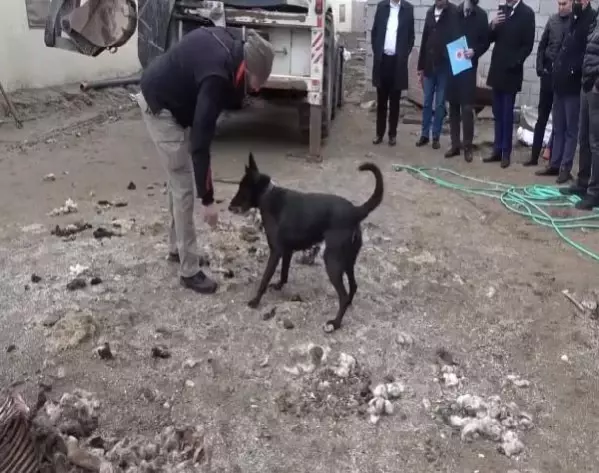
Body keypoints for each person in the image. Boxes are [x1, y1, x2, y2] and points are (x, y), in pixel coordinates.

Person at [138, 27, 274, 292]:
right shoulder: (217, 77)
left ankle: (177, 248)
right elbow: (201, 143)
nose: (257, 89)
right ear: (247, 68)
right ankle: (189, 271)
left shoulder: (234, 49)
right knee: (183, 186)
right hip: (160, 107)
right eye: (258, 81)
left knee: (179, 181)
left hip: (175, 103)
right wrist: (208, 200)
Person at [540, 0, 595, 182]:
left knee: (572, 129)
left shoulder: (590, 20)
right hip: (560, 82)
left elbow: (586, 52)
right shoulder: (574, 18)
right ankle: (554, 163)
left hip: (573, 84)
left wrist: (574, 70)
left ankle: (565, 167)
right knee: (558, 126)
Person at [484, 0, 535, 168]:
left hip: (511, 73)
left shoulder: (527, 14)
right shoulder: (502, 12)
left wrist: (514, 63)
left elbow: (527, 46)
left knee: (507, 114)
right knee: (497, 112)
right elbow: (490, 38)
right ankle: (497, 150)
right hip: (497, 70)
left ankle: (506, 152)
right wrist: (493, 24)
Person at [524, 1, 572, 168]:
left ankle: (555, 160)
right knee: (541, 118)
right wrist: (539, 68)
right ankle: (533, 156)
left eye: (564, 4)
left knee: (560, 122)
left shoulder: (575, 22)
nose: (560, 7)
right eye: (559, 4)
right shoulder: (552, 21)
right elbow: (542, 46)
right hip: (548, 76)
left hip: (564, 80)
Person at [560, 14, 599, 210]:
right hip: (587, 83)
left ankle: (595, 192)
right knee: (584, 138)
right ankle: (583, 183)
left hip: (596, 87)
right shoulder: (596, 18)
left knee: (596, 142)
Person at [445, 0, 489, 162]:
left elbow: (485, 42)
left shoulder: (482, 16)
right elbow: (447, 37)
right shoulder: (453, 13)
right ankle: (455, 144)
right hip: (453, 67)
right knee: (453, 108)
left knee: (467, 108)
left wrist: (475, 51)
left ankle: (467, 147)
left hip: (469, 70)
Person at [371, 0, 415, 146]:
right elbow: (375, 32)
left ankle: (392, 135)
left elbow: (411, 36)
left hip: (397, 63)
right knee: (381, 101)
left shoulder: (408, 9)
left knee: (395, 102)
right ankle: (379, 133)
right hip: (383, 61)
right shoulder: (382, 7)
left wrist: (403, 55)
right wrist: (377, 52)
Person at [416, 0, 456, 150]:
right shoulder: (429, 13)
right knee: (426, 102)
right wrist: (420, 66)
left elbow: (457, 37)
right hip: (429, 66)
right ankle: (424, 134)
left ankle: (436, 136)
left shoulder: (453, 13)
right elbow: (424, 40)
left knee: (439, 103)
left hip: (444, 67)